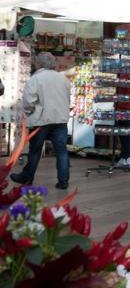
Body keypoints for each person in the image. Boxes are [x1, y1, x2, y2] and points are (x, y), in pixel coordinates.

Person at [11, 52, 71, 189]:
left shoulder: (36, 79)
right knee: (61, 150)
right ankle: (63, 181)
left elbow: (28, 102)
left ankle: (27, 177)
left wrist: (29, 112)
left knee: (35, 150)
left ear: (39, 63)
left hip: (41, 120)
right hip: (60, 119)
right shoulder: (63, 79)